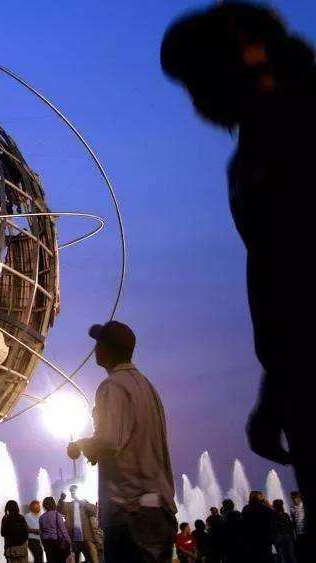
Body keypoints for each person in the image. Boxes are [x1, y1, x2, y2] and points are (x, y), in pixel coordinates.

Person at [160, 2, 316, 514]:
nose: (197, 100)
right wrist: (276, 392)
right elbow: (279, 274)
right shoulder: (257, 143)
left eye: (199, 78)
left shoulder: (298, 120)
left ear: (252, 50)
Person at [67, 321, 177, 562]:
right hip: (159, 509)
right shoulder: (147, 386)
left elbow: (110, 440)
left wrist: (82, 445)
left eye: (98, 343)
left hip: (130, 512)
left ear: (107, 349)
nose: (95, 349)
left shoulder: (112, 386)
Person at [57, 485, 99, 562]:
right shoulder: (69, 505)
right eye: (72, 491)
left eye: (75, 491)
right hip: (74, 536)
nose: (73, 493)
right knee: (75, 559)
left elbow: (94, 510)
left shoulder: (84, 503)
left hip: (86, 536)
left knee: (92, 558)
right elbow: (59, 509)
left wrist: (78, 499)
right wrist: (61, 499)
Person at [241, 491, 275, 562]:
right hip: (265, 540)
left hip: (251, 540)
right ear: (261, 499)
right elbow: (273, 520)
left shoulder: (246, 509)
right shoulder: (266, 509)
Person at [39, 496, 70, 563]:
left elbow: (41, 532)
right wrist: (68, 540)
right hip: (57, 542)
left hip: (47, 542)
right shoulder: (57, 515)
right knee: (60, 560)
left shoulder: (41, 517)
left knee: (50, 560)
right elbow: (63, 529)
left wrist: (43, 543)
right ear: (53, 504)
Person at [272, 499, 296, 563]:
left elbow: (273, 527)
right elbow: (290, 526)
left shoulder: (273, 516)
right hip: (287, 537)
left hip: (279, 537)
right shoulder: (285, 515)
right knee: (290, 555)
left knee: (282, 557)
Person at [289, 492, 305, 560]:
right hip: (299, 533)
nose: (294, 500)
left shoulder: (303, 506)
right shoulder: (292, 508)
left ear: (299, 498)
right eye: (292, 498)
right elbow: (293, 521)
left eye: (295, 498)